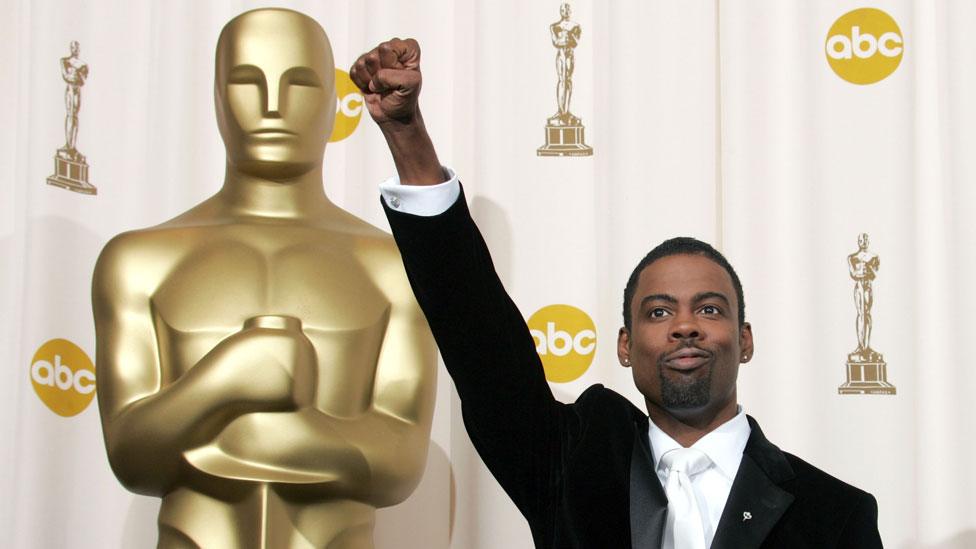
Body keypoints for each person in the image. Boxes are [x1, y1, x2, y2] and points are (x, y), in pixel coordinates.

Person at [351, 38, 883, 548]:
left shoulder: (833, 513)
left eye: (709, 308)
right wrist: (407, 133)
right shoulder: (573, 465)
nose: (685, 325)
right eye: (658, 311)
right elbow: (478, 333)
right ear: (625, 346)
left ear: (745, 340)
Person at [92, 10, 436, 548]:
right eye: (246, 82)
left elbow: (400, 465)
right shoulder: (139, 261)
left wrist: (250, 430)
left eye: (298, 84)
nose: (273, 106)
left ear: (331, 102)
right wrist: (228, 377)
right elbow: (132, 457)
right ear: (215, 96)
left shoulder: (393, 266)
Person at [60, 40, 88, 161]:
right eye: (72, 47)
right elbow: (66, 76)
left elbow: (82, 81)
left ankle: (73, 146)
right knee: (70, 115)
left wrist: (76, 75)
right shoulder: (65, 61)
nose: (74, 49)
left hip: (77, 90)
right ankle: (68, 145)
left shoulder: (83, 64)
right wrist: (75, 75)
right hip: (70, 90)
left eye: (76, 47)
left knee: (75, 116)